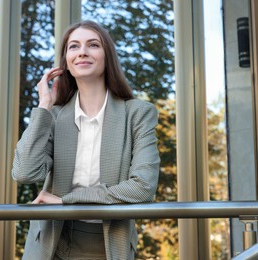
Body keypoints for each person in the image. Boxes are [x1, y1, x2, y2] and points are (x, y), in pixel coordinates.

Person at [12, 20, 160, 260]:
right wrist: (44, 106)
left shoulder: (137, 114)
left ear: (107, 56)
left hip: (107, 243)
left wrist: (67, 200)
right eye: (74, 46)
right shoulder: (55, 116)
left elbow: (142, 188)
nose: (82, 51)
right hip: (50, 243)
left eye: (93, 45)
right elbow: (25, 173)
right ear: (66, 62)